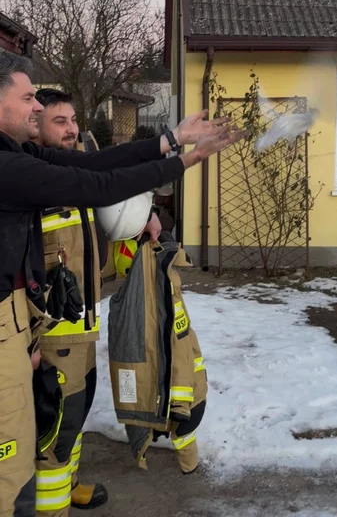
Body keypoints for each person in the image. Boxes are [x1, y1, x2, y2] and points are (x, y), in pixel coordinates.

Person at [0, 52, 245, 517]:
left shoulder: (18, 155)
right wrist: (185, 160)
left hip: (24, 326)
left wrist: (171, 140)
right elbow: (100, 186)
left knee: (44, 435)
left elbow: (97, 167)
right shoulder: (8, 168)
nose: (37, 106)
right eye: (28, 97)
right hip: (28, 329)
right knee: (15, 464)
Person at [35, 88, 161, 513]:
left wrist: (144, 216)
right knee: (53, 426)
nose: (71, 129)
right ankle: (50, 503)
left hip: (84, 325)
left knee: (76, 414)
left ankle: (68, 483)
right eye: (59, 122)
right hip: (50, 335)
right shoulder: (31, 180)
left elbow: (111, 202)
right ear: (35, 123)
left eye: (73, 120)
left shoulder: (79, 171)